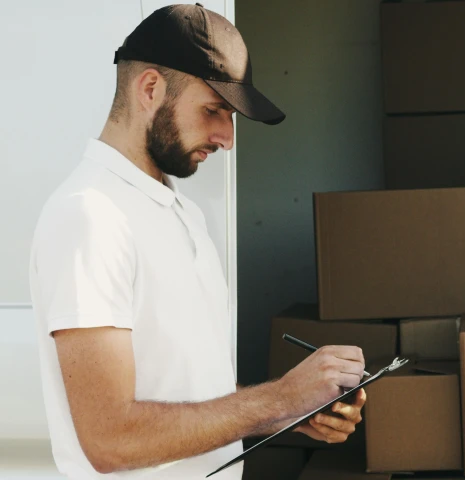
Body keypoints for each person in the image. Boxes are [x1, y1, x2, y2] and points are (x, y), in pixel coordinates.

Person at [28, 4, 366, 479]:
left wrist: (292, 412)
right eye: (214, 111)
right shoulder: (90, 216)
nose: (227, 138)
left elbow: (189, 392)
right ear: (150, 89)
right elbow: (109, 440)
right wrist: (280, 397)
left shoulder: (184, 213)